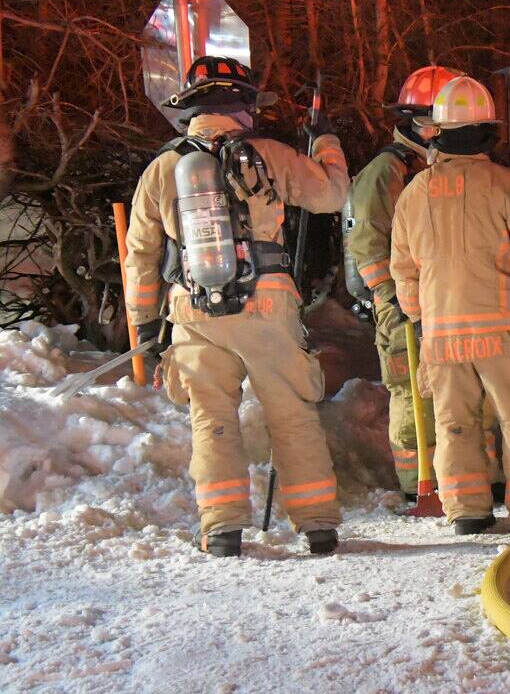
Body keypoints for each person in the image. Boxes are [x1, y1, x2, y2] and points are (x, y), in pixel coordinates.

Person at [124, 56, 348, 557]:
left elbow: (139, 254)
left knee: (212, 418)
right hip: (267, 302)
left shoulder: (162, 169)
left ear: (190, 108)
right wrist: (325, 141)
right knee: (291, 412)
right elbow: (333, 195)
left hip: (194, 307)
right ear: (244, 105)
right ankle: (317, 525)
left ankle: (222, 529)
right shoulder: (270, 155)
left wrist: (144, 325)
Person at [390, 75, 510, 534]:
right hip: (502, 330)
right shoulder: (507, 185)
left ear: (438, 132)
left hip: (442, 336)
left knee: (454, 423)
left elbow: (402, 270)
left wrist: (420, 317)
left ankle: (467, 511)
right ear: (488, 131)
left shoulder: (413, 193)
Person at [346, 65, 461, 499]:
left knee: (457, 388)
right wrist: (396, 301)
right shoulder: (387, 171)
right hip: (402, 306)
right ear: (414, 121)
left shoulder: (444, 166)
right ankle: (419, 485)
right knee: (413, 392)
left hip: (445, 299)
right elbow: (367, 246)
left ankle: (469, 478)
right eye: (433, 120)